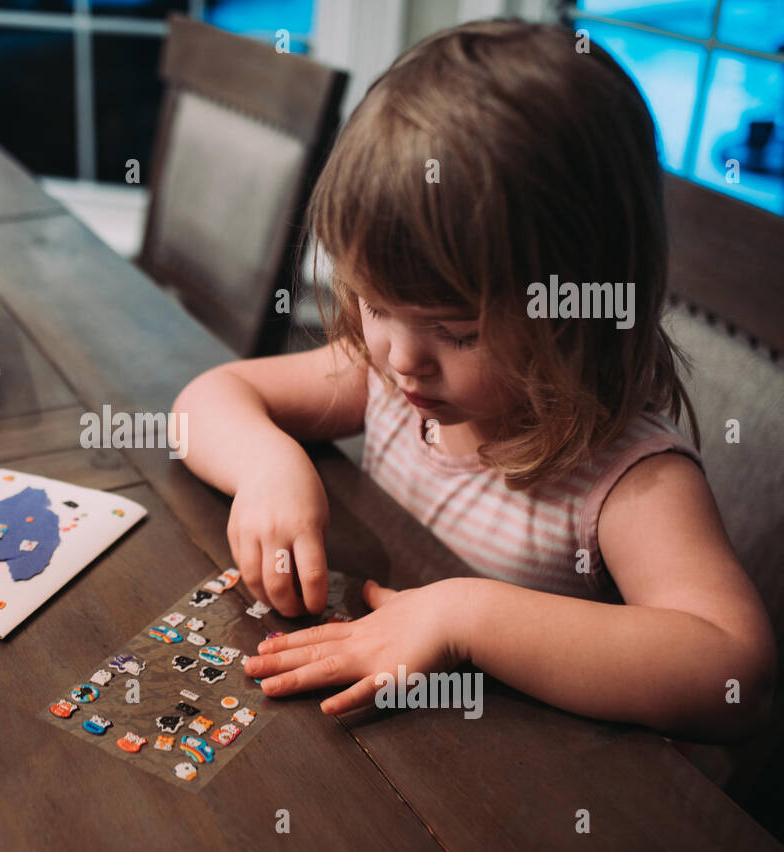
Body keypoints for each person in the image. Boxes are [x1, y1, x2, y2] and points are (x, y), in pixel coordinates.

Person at [171, 20, 774, 742]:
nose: (401, 357)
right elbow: (205, 402)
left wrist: (466, 618)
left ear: (577, 313)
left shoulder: (629, 479)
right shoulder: (387, 381)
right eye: (374, 303)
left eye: (457, 332)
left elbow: (735, 676)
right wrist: (267, 467)